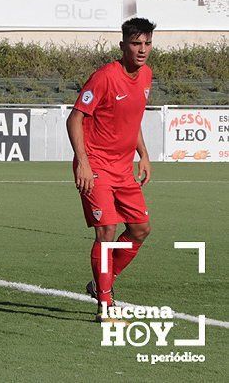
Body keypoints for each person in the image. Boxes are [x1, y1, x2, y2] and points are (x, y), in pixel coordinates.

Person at [67, 18, 155, 322]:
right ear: (123, 46)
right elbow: (75, 119)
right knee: (106, 231)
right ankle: (105, 307)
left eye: (147, 43)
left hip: (123, 169)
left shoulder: (146, 77)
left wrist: (143, 154)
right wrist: (85, 163)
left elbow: (133, 121)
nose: (142, 50)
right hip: (97, 166)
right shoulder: (105, 77)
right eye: (135, 43)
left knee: (141, 229)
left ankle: (101, 283)